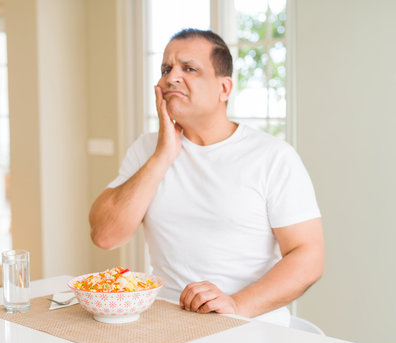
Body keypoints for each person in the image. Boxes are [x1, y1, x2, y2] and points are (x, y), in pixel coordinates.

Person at [89, 28, 324, 326]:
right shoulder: (147, 149)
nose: (171, 77)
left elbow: (308, 255)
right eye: (166, 68)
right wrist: (163, 156)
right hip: (165, 321)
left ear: (224, 89)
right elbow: (105, 235)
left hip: (250, 324)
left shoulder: (273, 156)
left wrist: (235, 305)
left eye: (189, 68)